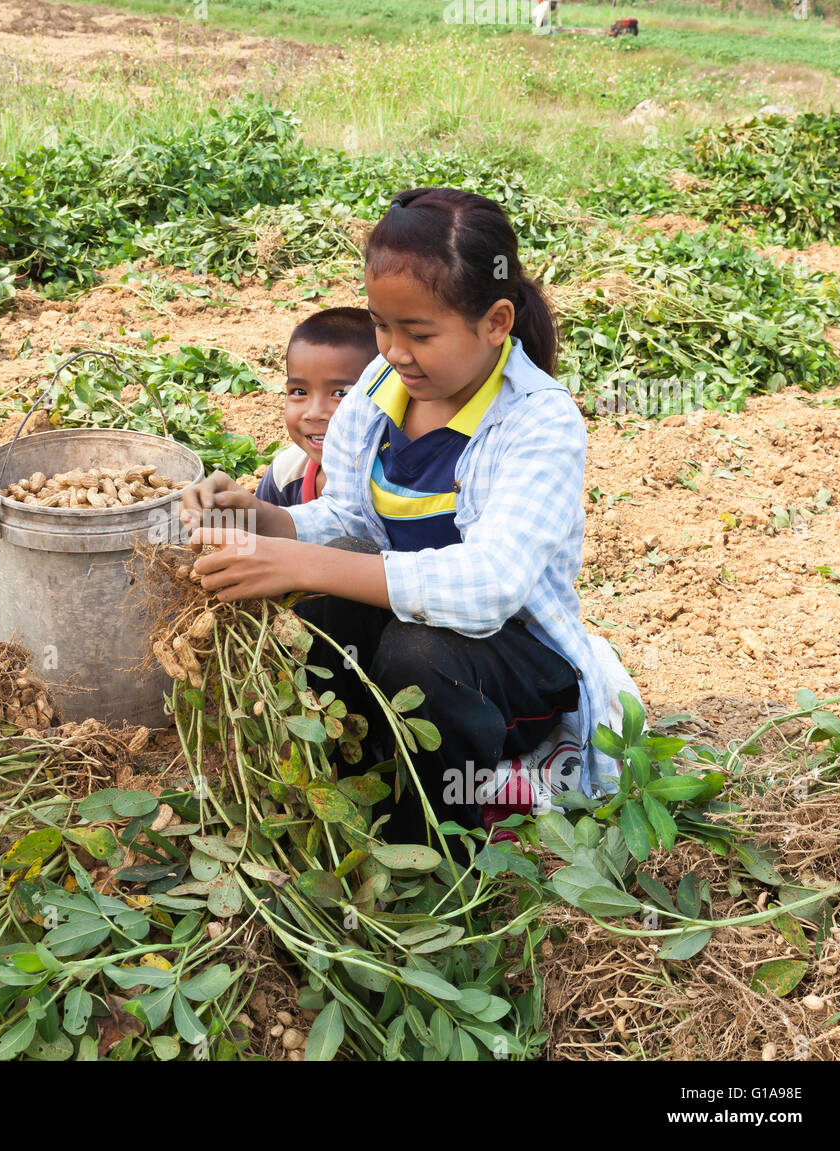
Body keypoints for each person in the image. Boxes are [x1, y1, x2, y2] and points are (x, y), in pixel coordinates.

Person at [179, 186, 639, 845]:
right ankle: (356, 789)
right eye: (381, 325)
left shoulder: (538, 421)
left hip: (512, 666)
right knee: (313, 620)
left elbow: (492, 583)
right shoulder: (379, 394)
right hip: (411, 640)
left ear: (496, 322)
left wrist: (301, 560)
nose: (393, 350)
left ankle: (445, 841)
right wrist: (260, 519)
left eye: (419, 333)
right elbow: (349, 520)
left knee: (415, 654)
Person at [256, 307, 377, 507]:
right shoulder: (285, 475)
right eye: (299, 392)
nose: (313, 413)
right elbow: (254, 535)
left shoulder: (392, 486)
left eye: (340, 394)